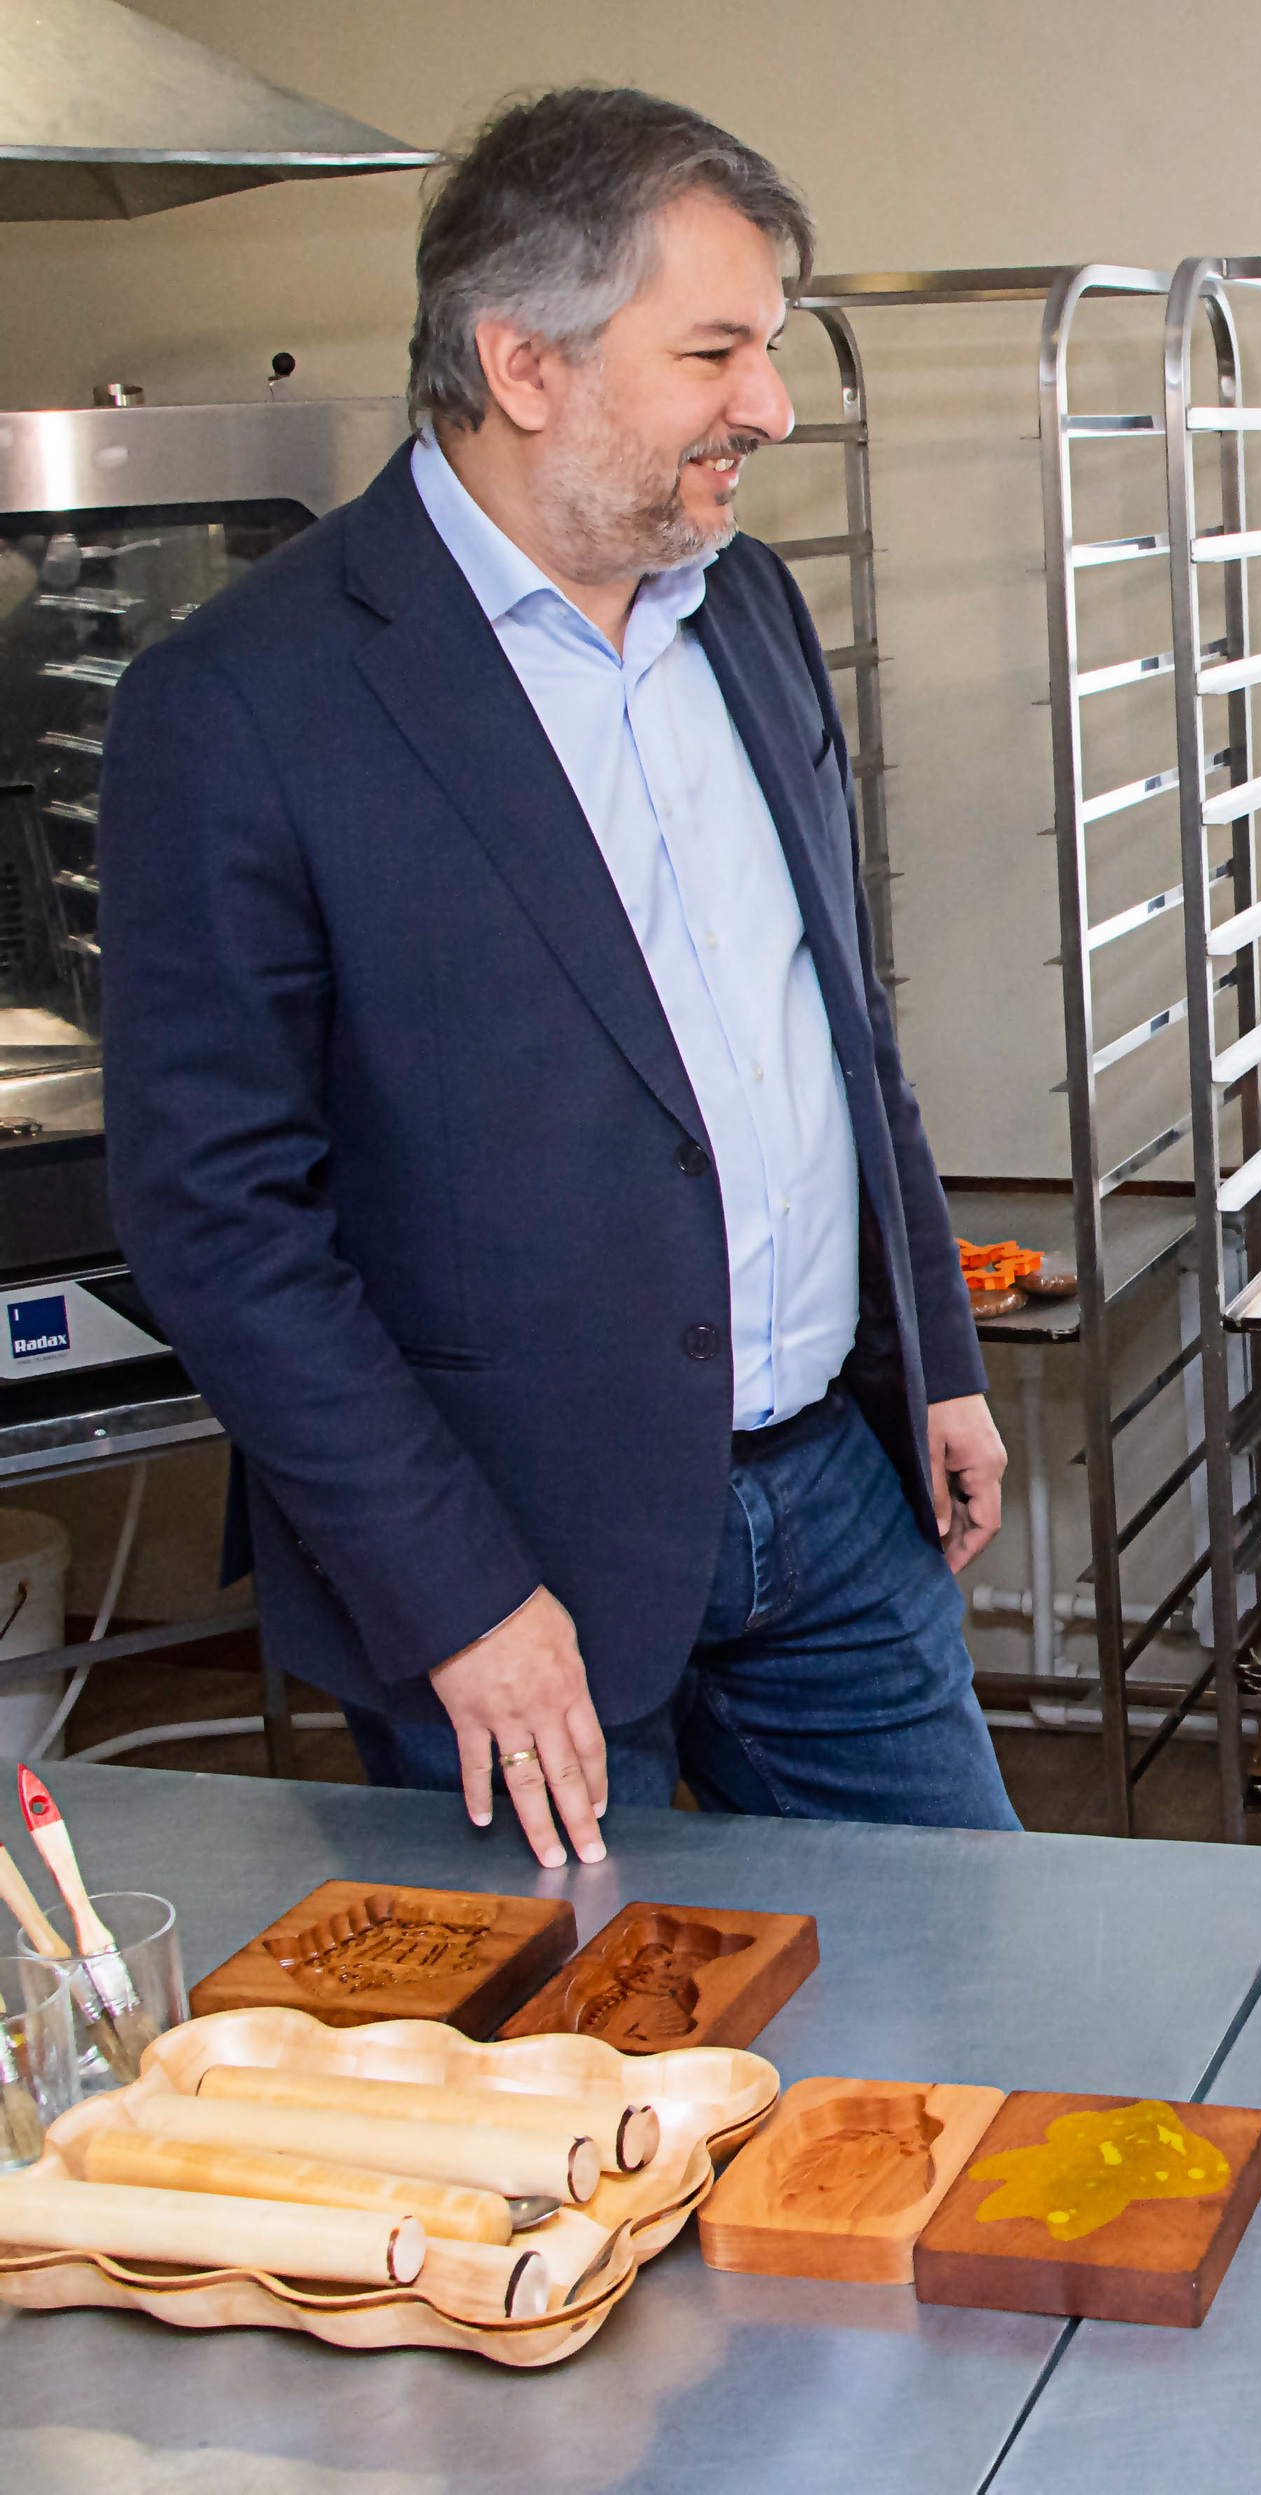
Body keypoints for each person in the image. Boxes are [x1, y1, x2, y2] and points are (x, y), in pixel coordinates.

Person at [103, 89, 1017, 1868]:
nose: (768, 402)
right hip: (509, 1560)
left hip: (835, 1497)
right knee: (595, 2096)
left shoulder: (741, 603)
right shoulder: (246, 702)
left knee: (966, 2025)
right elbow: (220, 1220)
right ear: (525, 364)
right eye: (716, 351)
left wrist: (938, 1357)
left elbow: (832, 1023)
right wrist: (450, 1597)